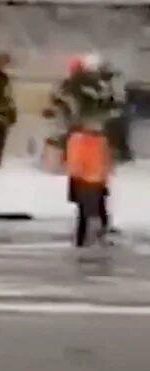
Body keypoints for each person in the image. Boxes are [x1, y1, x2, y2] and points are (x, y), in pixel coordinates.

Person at [57, 53, 115, 245]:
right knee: (93, 184)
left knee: (86, 183)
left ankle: (88, 228)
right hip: (89, 139)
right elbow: (103, 110)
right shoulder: (89, 90)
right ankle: (96, 226)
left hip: (82, 139)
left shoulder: (74, 89)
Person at [98, 59, 133, 163]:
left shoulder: (115, 80)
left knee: (117, 131)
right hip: (113, 109)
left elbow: (117, 96)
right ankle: (117, 153)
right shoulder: (108, 81)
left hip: (117, 108)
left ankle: (120, 153)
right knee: (113, 131)